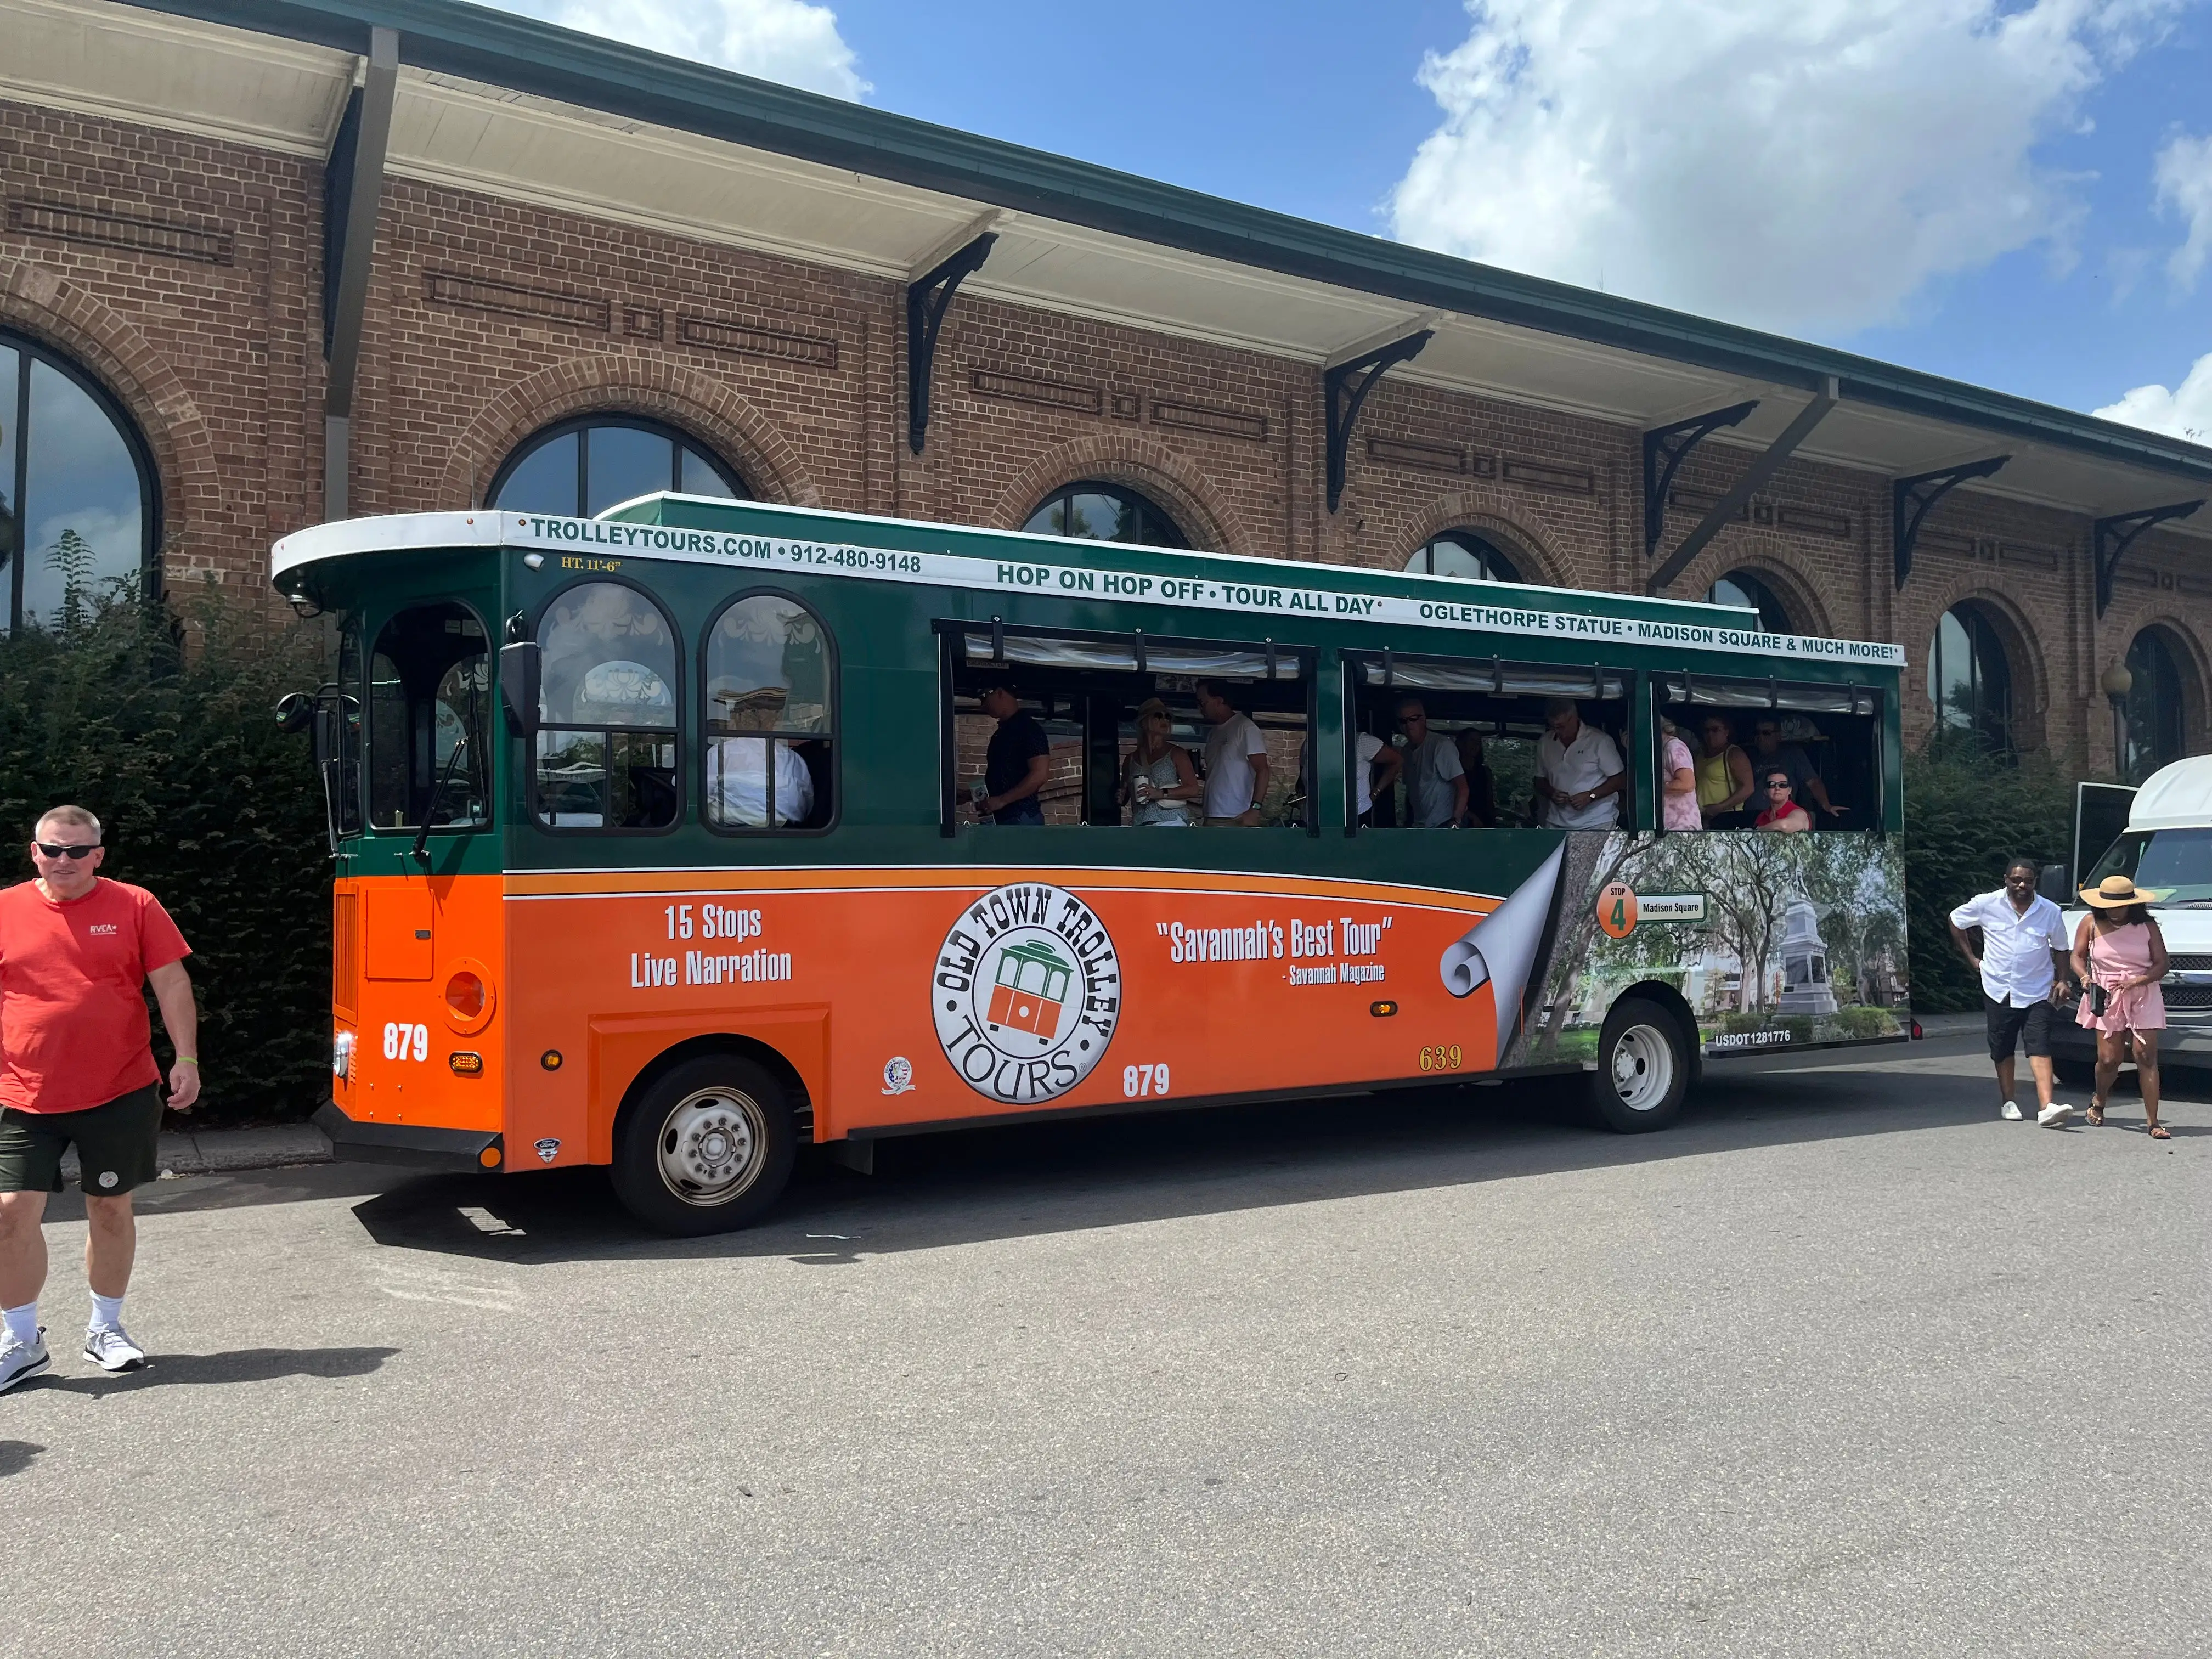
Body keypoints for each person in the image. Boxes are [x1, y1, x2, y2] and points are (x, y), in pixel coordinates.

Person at [0, 806, 198, 1392]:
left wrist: (185, 1057)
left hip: (119, 1089)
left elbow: (172, 982)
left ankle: (105, 1329)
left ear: (99, 855)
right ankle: (21, 1341)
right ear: (34, 851)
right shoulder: (6, 908)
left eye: (79, 851)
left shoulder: (135, 904)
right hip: (23, 1091)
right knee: (10, 1211)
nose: (65, 861)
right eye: (53, 850)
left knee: (110, 1209)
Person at [1948, 856, 2076, 1126]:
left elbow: (2062, 949)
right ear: (2006, 880)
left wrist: (2063, 980)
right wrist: (1972, 959)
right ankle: (2009, 1101)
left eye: (2028, 881)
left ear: (2035, 883)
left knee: (2039, 1044)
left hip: (2037, 989)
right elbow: (1956, 920)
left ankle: (2047, 1107)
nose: (2022, 885)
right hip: (1999, 988)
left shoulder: (2050, 911)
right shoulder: (1987, 904)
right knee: (2003, 1047)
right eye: (2016, 880)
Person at [2071, 875, 2171, 1135]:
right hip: (2106, 994)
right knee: (2108, 1059)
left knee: (2146, 1056)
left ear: (2132, 905)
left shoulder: (2147, 927)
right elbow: (2077, 956)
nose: (2114, 911)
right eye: (2109, 906)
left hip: (2143, 992)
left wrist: (2140, 980)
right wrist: (2084, 977)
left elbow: (2162, 964)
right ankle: (2100, 1099)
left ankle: (2154, 1123)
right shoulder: (2091, 923)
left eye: (2120, 906)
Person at [1534, 699, 1623, 829]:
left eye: (1561, 726)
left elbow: (1619, 780)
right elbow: (1539, 780)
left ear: (1574, 718)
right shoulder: (1545, 742)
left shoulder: (1600, 741)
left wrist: (1591, 796)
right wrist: (1552, 793)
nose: (1557, 731)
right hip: (1556, 822)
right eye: (1553, 727)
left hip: (1597, 821)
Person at [1195, 680, 1270, 826]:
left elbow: (1263, 770)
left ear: (1218, 701)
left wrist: (1255, 809)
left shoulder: (1245, 727)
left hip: (1235, 814)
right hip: (1211, 812)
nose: (1200, 708)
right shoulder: (1214, 732)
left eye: (1203, 703)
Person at [977, 681, 1049, 825]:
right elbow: (1004, 778)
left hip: (1020, 817)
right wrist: (971, 796)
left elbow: (1040, 775)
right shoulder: (1002, 733)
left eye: (984, 696)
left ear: (999, 693)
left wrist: (1002, 800)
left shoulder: (1029, 730)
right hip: (1004, 817)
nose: (983, 704)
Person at [1121, 698, 1200, 827]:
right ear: (1144, 722)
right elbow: (1125, 796)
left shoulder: (1177, 753)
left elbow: (1193, 789)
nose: (1165, 720)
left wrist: (1160, 793)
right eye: (1158, 716)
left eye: (1168, 717)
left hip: (1172, 823)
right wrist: (1121, 796)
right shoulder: (1131, 759)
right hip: (1142, 824)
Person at [707, 736, 815, 827]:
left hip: (726, 832)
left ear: (736, 720)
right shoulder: (792, 757)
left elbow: (702, 797)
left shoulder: (720, 752)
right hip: (785, 832)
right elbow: (807, 802)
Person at [1750, 717, 1841, 823]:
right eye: (1758, 733)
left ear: (1778, 736)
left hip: (1781, 817)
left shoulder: (1792, 754)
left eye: (1766, 733)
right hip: (1751, 816)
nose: (1760, 737)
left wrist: (1826, 805)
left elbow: (1813, 782)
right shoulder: (1749, 755)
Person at [1393, 699, 1467, 828]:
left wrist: (1455, 822)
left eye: (1413, 719)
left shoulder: (1441, 746)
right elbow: (1412, 791)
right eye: (1403, 721)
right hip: (1419, 826)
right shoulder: (1406, 752)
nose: (1408, 725)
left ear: (1424, 720)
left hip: (1443, 825)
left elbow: (1463, 788)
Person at [1694, 714, 1754, 826]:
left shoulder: (1734, 754)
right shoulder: (1700, 755)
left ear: (1727, 732)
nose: (1710, 734)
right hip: (1701, 818)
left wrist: (1720, 807)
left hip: (1727, 818)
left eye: (1715, 730)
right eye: (1707, 731)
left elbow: (1748, 788)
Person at [1659, 716, 1701, 831]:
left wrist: (1652, 788)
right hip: (1668, 828)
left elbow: (1687, 784)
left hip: (1681, 828)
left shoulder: (1674, 747)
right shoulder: (1660, 749)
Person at [1354, 730, 1402, 825]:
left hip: (1359, 814)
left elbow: (1397, 760)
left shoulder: (1360, 741)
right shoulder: (1318, 742)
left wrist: (1376, 792)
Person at [1453, 729, 1498, 828]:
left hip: (1484, 824)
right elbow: (1450, 800)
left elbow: (1489, 801)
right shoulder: (1453, 771)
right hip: (1461, 823)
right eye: (1472, 741)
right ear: (1461, 743)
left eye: (1478, 742)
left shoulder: (1485, 772)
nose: (1476, 745)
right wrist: (1470, 816)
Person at [1752, 768, 1812, 832]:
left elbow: (1785, 826)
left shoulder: (1799, 813)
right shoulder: (1761, 817)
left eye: (1783, 785)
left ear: (1789, 790)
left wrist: (1760, 830)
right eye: (1772, 784)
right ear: (1765, 791)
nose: (1777, 788)